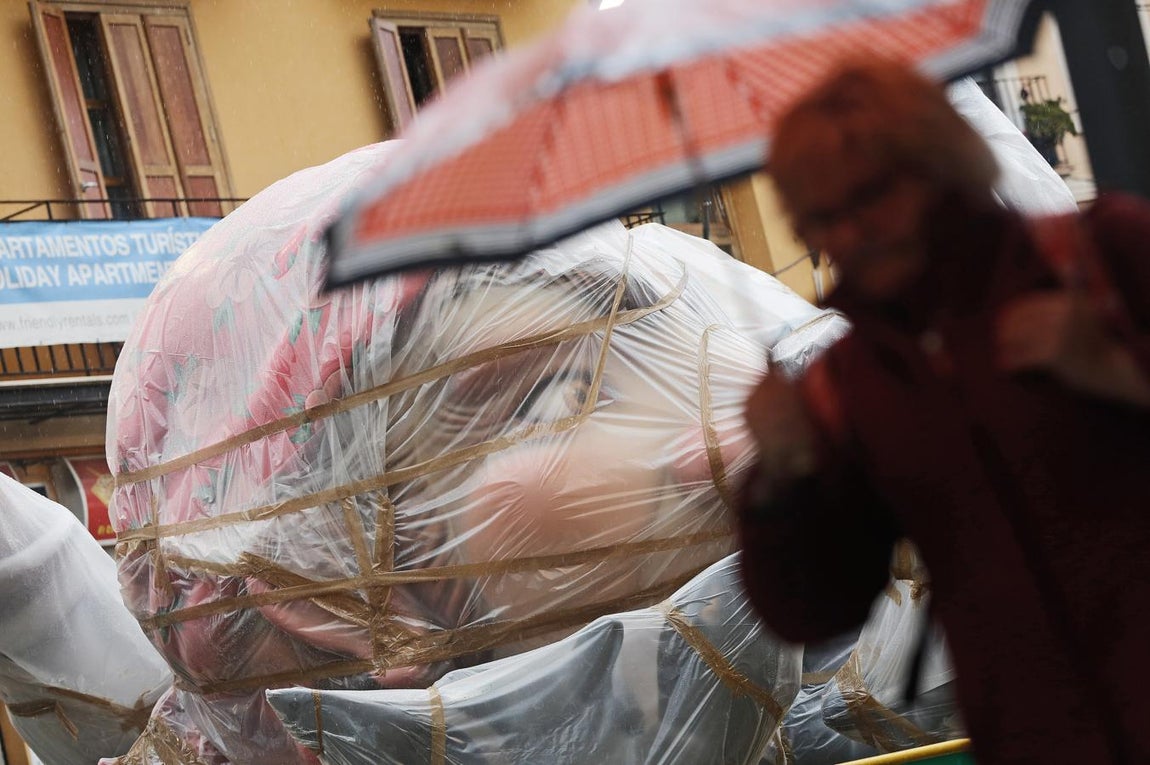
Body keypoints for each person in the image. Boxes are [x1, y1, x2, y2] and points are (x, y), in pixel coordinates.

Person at [738, 57, 1150, 765]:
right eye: (824, 217)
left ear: (937, 163)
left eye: (872, 197)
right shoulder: (852, 379)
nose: (854, 232)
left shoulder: (1101, 257)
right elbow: (814, 607)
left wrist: (1118, 372)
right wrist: (783, 478)